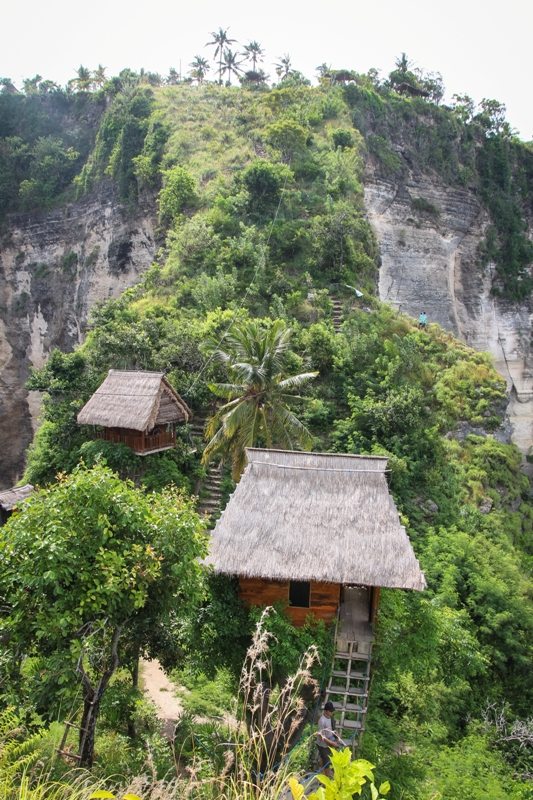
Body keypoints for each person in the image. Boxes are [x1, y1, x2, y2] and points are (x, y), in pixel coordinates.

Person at [317, 701, 342, 776]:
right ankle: (326, 778)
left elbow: (333, 729)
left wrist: (337, 736)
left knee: (325, 758)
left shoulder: (331, 718)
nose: (332, 712)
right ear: (326, 711)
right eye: (330, 711)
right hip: (322, 745)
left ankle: (321, 769)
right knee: (327, 761)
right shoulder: (322, 720)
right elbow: (322, 737)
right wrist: (332, 743)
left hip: (331, 740)